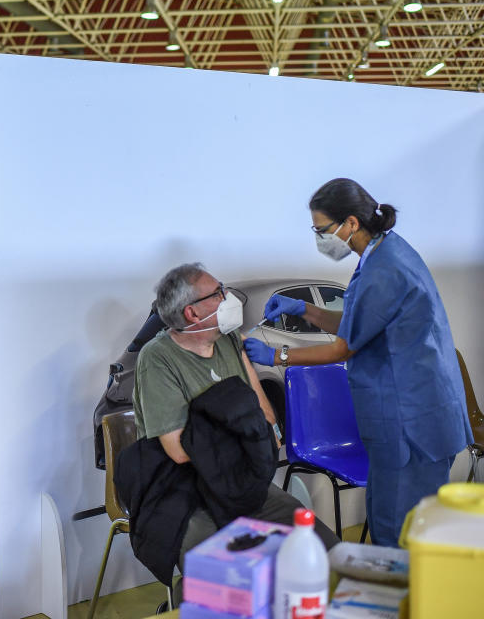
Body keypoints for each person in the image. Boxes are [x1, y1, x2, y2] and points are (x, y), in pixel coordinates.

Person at [243, 178, 474, 547]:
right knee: (392, 523)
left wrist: (277, 356)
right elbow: (360, 322)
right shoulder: (382, 253)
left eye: (322, 230)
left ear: (351, 223)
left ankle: (407, 602)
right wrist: (305, 310)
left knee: (403, 534)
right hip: (409, 419)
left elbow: (343, 348)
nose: (319, 238)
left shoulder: (384, 271)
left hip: (413, 425)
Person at [130, 263, 338, 589]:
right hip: (184, 493)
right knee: (229, 579)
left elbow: (265, 415)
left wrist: (244, 426)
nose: (227, 297)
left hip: (238, 481)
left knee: (323, 553)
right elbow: (180, 451)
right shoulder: (157, 359)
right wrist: (246, 427)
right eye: (217, 293)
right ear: (192, 313)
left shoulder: (229, 341)